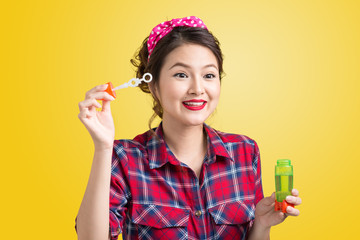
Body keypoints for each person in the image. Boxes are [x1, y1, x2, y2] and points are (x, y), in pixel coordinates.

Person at [75, 16, 302, 240]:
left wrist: (262, 225)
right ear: (153, 85)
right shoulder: (125, 158)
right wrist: (103, 147)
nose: (197, 88)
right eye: (181, 74)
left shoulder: (244, 151)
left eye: (209, 75)